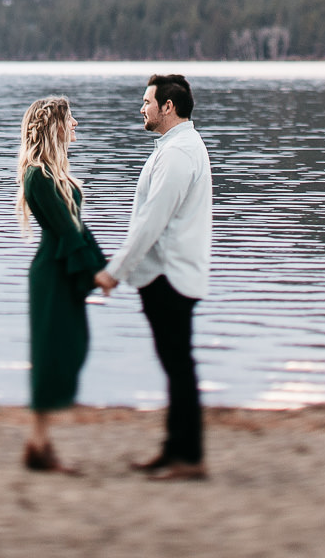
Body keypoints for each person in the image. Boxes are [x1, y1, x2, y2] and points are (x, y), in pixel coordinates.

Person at [94, 73, 212, 481]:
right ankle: (174, 449)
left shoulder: (179, 154)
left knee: (179, 366)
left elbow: (150, 223)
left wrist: (113, 273)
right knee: (175, 364)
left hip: (171, 277)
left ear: (168, 106)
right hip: (167, 275)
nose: (141, 108)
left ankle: (189, 457)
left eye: (147, 101)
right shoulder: (175, 148)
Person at [15, 95, 106, 474]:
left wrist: (102, 266)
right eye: (71, 119)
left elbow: (79, 229)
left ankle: (40, 445)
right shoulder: (37, 175)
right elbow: (67, 230)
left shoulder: (57, 174)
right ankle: (40, 446)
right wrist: (96, 272)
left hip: (63, 269)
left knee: (70, 348)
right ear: (55, 125)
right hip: (52, 274)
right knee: (51, 355)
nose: (76, 125)